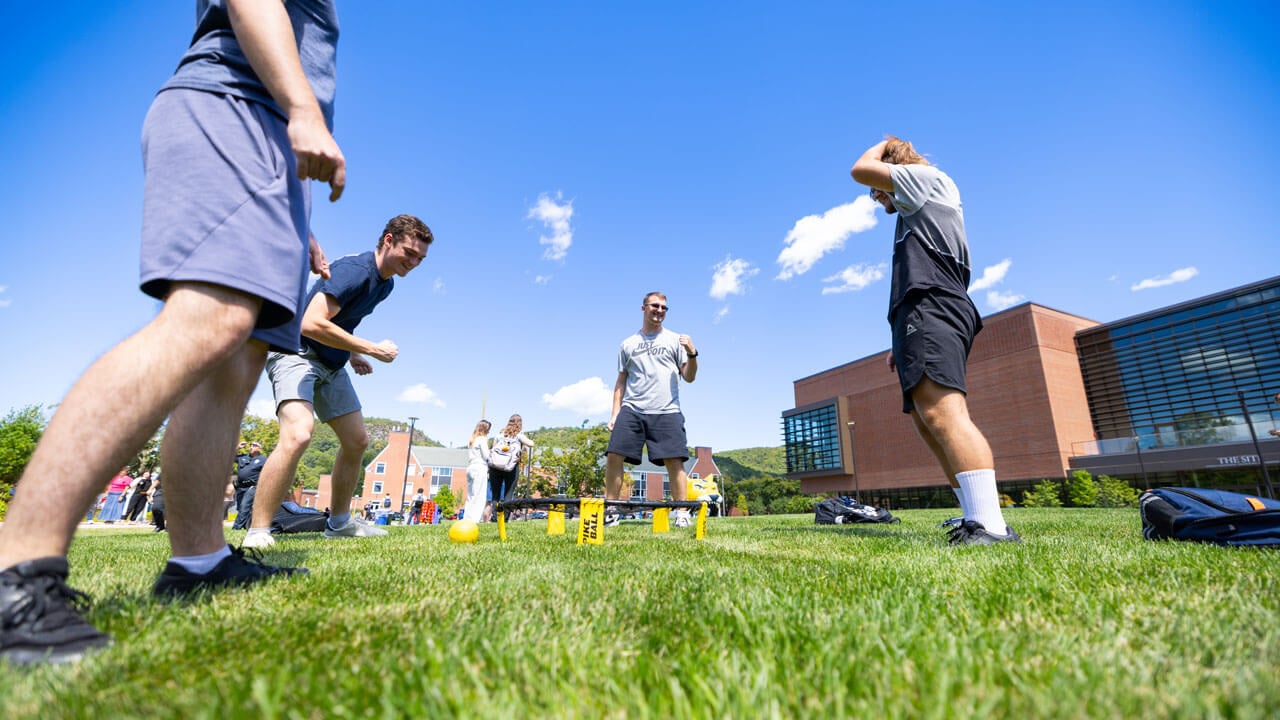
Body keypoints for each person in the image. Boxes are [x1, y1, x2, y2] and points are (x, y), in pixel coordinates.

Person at [0, 0, 344, 665]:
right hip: (237, 108)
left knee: (237, 358)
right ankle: (17, 565)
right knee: (207, 320)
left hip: (268, 141)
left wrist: (294, 214)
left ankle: (199, 561)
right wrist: (303, 110)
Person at [851, 135, 1018, 545]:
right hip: (920, 309)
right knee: (928, 421)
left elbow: (859, 170)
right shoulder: (914, 203)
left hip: (933, 302)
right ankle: (973, 516)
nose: (876, 196)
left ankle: (991, 526)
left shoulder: (924, 178)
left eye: (879, 190)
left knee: (944, 413)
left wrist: (883, 143)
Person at [242, 214, 435, 549]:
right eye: (409, 252)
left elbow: (343, 321)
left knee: (357, 440)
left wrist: (352, 353)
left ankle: (340, 523)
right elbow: (310, 322)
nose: (414, 263)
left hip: (330, 362)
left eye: (420, 258)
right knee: (299, 433)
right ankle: (258, 530)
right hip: (296, 352)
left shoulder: (385, 284)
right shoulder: (355, 271)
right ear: (388, 240)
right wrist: (371, 349)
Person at [605, 292, 699, 528]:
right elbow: (621, 382)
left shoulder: (675, 340)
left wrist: (692, 353)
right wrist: (615, 413)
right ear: (644, 308)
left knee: (675, 461)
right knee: (614, 455)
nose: (660, 310)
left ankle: (681, 512)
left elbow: (689, 377)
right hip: (633, 408)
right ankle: (611, 510)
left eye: (664, 307)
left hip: (667, 410)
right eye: (655, 306)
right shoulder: (628, 344)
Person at [486, 414, 534, 522]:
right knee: (508, 493)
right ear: (520, 424)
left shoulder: (499, 434)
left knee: (495, 495)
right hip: (511, 467)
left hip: (495, 467)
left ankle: (494, 518)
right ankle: (505, 519)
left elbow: (493, 449)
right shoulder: (519, 436)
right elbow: (531, 444)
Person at [231, 442, 267, 530]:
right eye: (250, 445)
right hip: (240, 487)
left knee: (244, 506)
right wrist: (237, 447)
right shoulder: (243, 457)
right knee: (241, 508)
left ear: (260, 448)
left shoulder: (264, 460)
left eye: (254, 445)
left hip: (252, 487)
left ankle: (236, 528)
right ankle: (246, 526)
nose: (251, 447)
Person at [464, 420, 492, 522]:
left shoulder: (472, 440)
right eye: (488, 429)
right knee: (479, 496)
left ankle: (467, 518)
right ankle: (474, 520)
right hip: (480, 468)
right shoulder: (482, 439)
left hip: (470, 467)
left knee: (470, 496)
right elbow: (486, 456)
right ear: (485, 429)